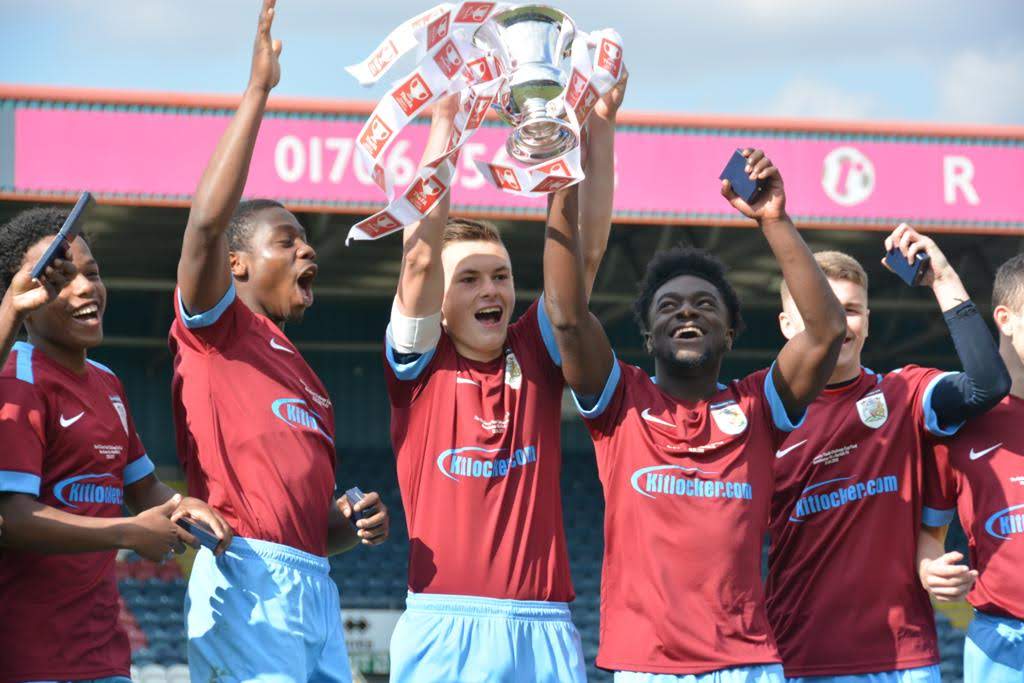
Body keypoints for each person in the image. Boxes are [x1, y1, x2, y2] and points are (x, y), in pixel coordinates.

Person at [543, 148, 846, 681]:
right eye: (669, 306)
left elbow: (825, 333)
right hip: (646, 665)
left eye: (706, 305)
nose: (687, 310)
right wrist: (561, 184)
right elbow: (567, 318)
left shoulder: (758, 406)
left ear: (729, 332)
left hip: (746, 663)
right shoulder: (620, 402)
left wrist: (773, 219)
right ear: (647, 334)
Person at [382, 70, 626, 681]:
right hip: (444, 623)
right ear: (439, 300)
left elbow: (586, 253)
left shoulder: (536, 351)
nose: (491, 289)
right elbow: (417, 257)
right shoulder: (419, 365)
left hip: (542, 626)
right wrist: (445, 123)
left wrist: (598, 123)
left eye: (500, 276)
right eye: (469, 279)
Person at [172, 2, 389, 681]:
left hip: (312, 582)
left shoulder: (311, 383)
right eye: (286, 239)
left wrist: (347, 523)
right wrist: (259, 90)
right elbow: (205, 228)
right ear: (237, 264)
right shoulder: (216, 328)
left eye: (307, 239)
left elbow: (306, 530)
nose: (306, 250)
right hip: (244, 577)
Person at [765, 224, 1009, 682]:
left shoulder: (904, 394)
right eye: (821, 310)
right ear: (786, 324)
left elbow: (988, 385)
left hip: (905, 661)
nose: (839, 323)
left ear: (869, 320)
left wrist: (941, 279)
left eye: (851, 310)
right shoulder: (763, 416)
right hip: (800, 658)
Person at [0, 206, 232, 683]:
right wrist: (128, 532)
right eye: (62, 281)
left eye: (93, 273)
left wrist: (183, 504)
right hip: (30, 657)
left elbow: (142, 487)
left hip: (104, 653)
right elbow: (12, 520)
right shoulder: (16, 380)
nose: (86, 288)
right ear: (25, 297)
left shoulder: (108, 384)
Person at [918, 253, 1024, 683]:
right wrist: (930, 569)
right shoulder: (958, 427)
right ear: (1006, 318)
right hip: (1000, 640)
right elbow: (929, 536)